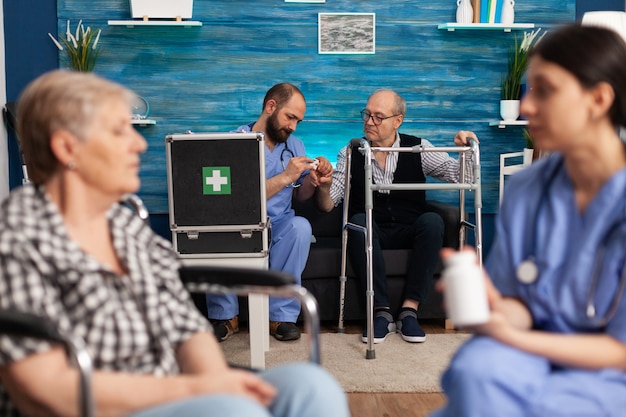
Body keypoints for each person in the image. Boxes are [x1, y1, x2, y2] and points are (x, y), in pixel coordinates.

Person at [0, 70, 350, 417]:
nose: (138, 143)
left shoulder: (125, 227)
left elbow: (186, 328)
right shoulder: (20, 234)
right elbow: (44, 389)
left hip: (169, 383)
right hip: (110, 402)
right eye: (120, 131)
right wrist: (196, 389)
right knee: (234, 411)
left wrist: (216, 380)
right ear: (66, 147)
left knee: (312, 387)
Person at [430, 24, 626, 417]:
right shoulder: (526, 190)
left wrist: (510, 336)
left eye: (544, 90)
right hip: (527, 351)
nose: (525, 107)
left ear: (599, 99)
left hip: (607, 367)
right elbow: (522, 307)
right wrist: (493, 307)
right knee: (475, 371)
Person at [322, 89, 478, 344]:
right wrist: (322, 184)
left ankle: (409, 311)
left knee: (432, 221)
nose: (369, 122)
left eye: (378, 117)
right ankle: (381, 312)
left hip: (408, 228)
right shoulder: (350, 152)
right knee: (359, 223)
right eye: (367, 115)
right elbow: (331, 202)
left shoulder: (417, 148)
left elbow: (464, 176)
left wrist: (466, 148)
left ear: (398, 120)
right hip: (372, 230)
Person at [205, 83, 334, 342]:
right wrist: (286, 175)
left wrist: (314, 182)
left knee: (300, 227)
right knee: (212, 229)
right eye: (290, 117)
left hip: (278, 225)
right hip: (238, 225)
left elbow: (299, 195)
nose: (293, 126)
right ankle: (225, 316)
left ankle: (281, 317)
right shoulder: (233, 143)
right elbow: (235, 201)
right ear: (271, 106)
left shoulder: (294, 145)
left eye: (298, 121)